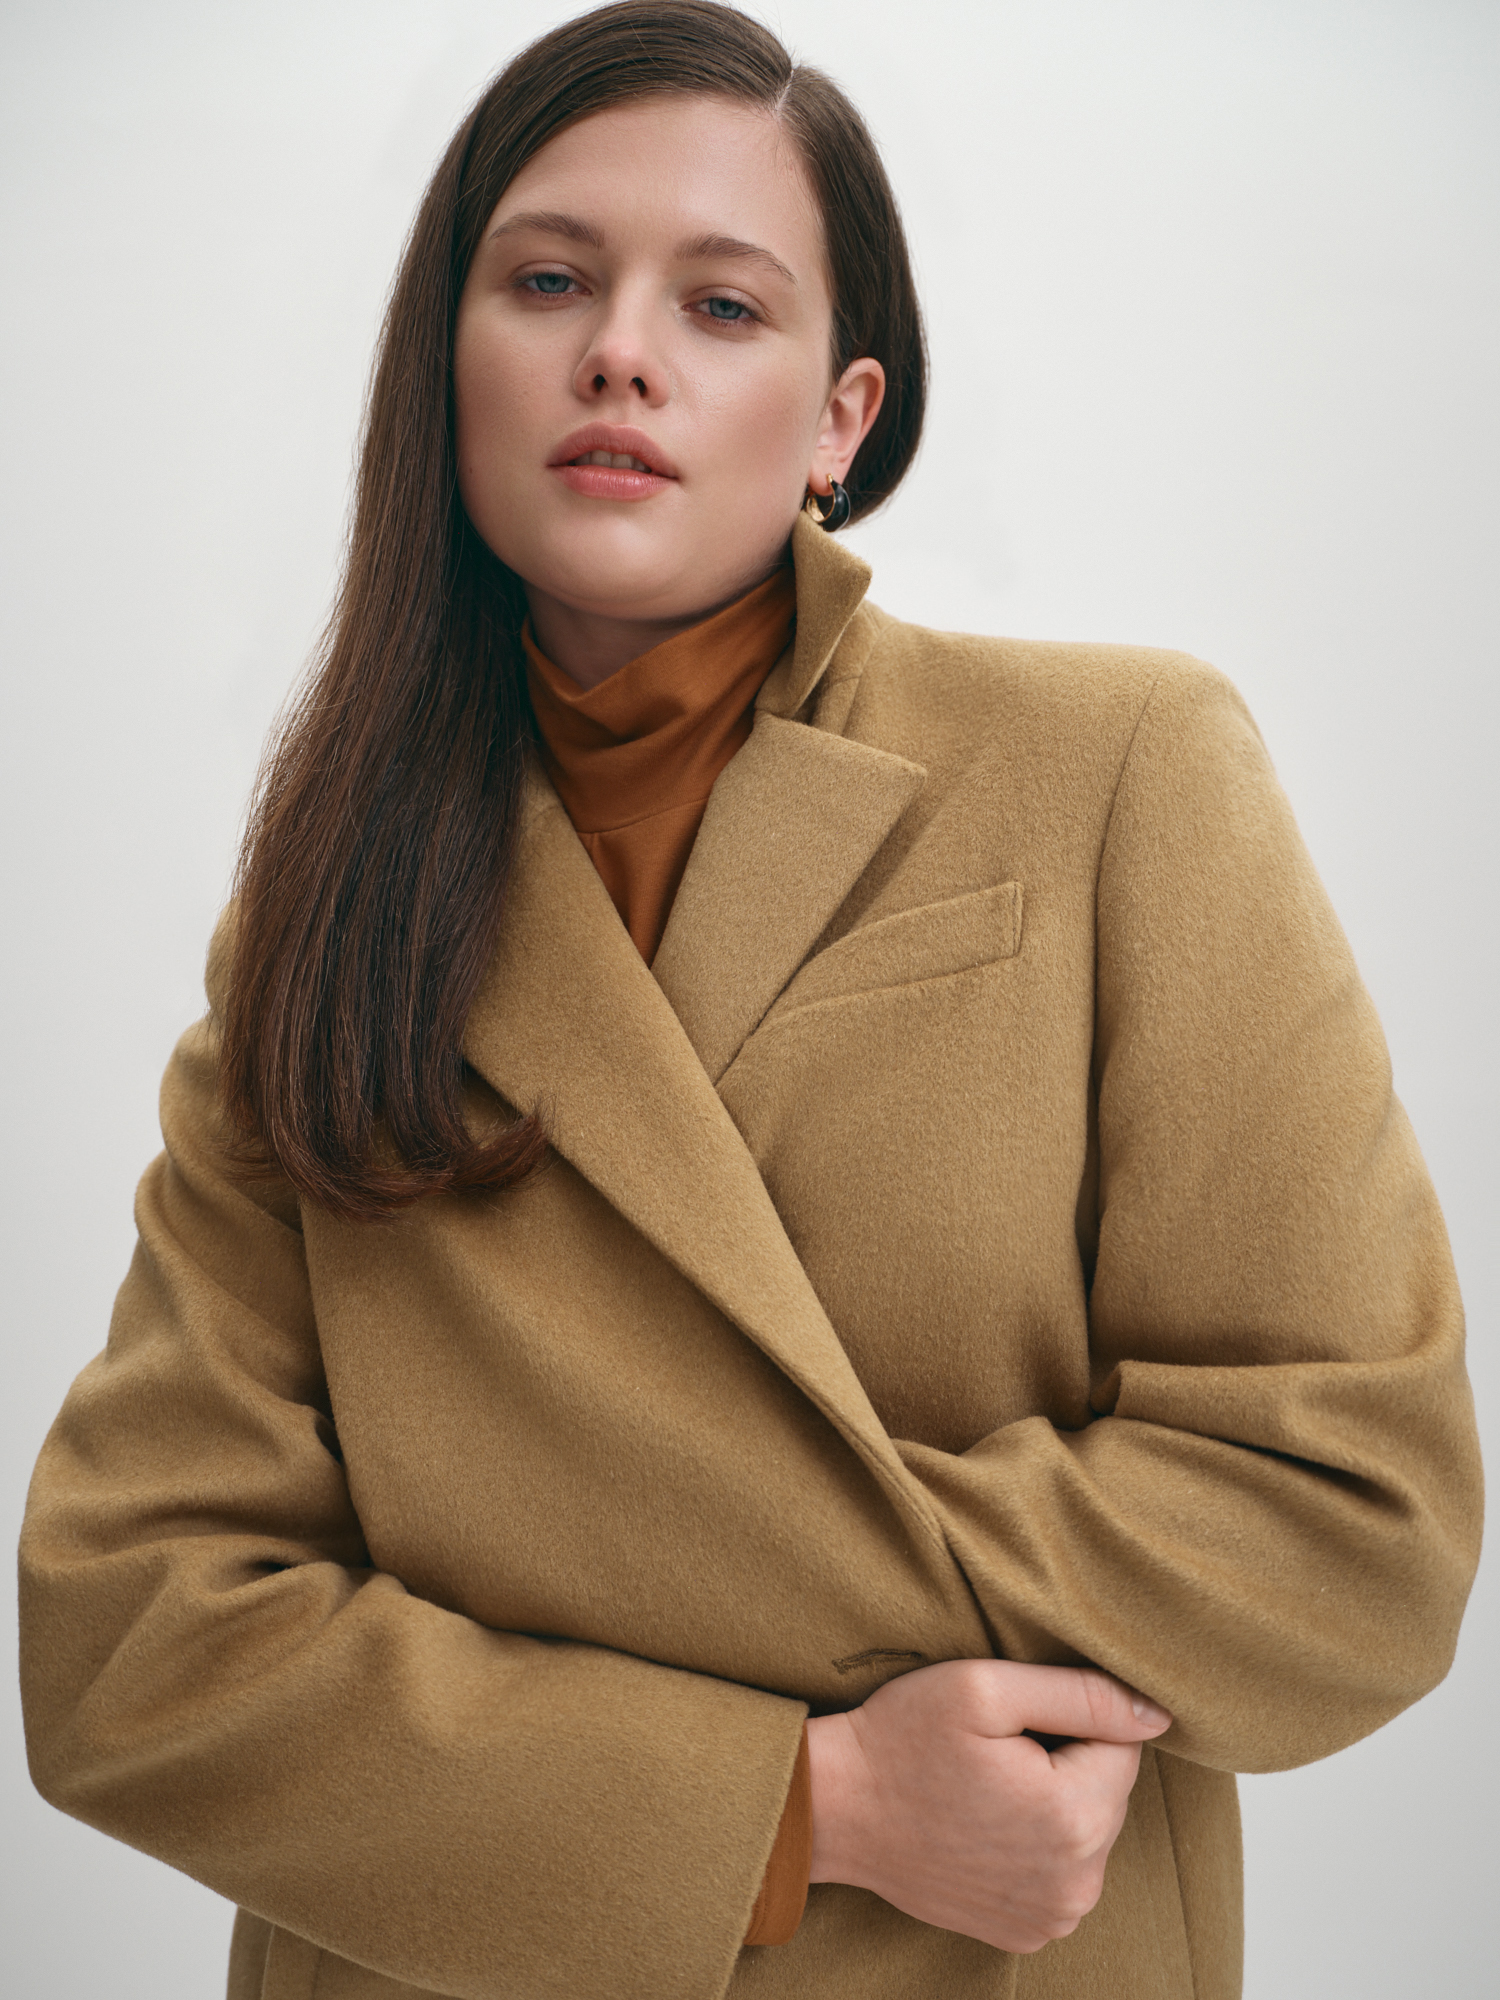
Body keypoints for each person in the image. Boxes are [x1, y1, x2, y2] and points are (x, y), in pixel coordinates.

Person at [17, 4, 1482, 1997]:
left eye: (722, 306)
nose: (621, 350)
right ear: (448, 356)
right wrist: (805, 1802)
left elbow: (1351, 1524)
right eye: (548, 281)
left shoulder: (1117, 771)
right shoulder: (326, 911)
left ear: (837, 420)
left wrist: (525, 1567)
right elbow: (125, 1644)